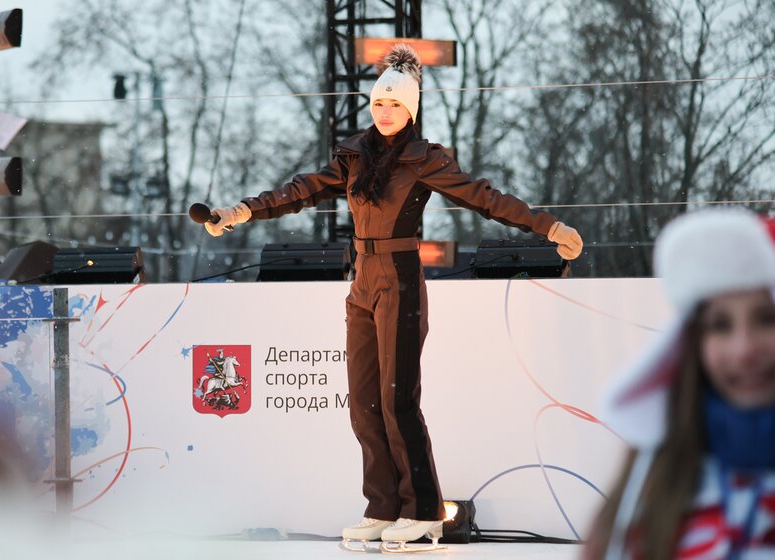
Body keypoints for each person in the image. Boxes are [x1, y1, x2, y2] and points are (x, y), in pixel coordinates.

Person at [203, 44, 584, 552]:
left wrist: (549, 226)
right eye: (379, 104)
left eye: (396, 106)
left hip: (401, 277)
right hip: (362, 279)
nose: (385, 113)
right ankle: (383, 506)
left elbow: (484, 197)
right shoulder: (354, 156)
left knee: (396, 399)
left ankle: (423, 510)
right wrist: (242, 211)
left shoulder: (422, 159)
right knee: (362, 404)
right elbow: (300, 190)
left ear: (411, 110)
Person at [588, 208, 775, 559]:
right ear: (691, 344)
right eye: (720, 325)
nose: (745, 349)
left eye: (766, 319)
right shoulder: (650, 482)